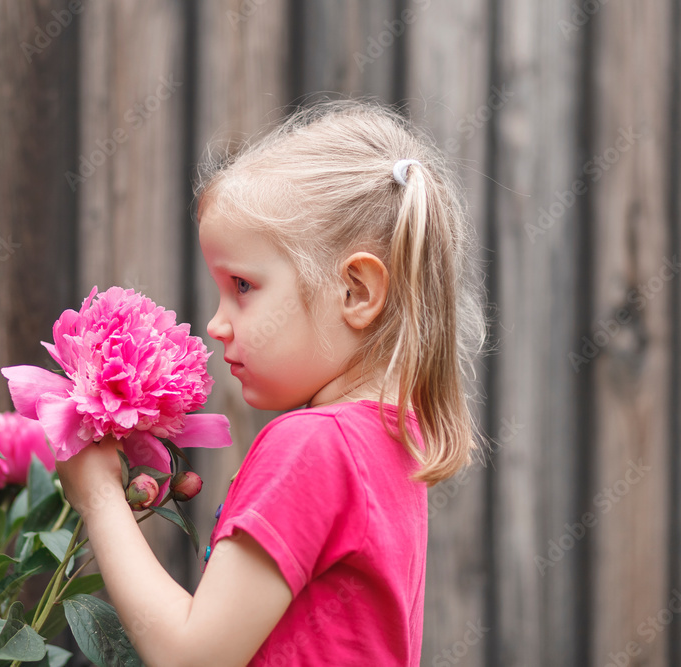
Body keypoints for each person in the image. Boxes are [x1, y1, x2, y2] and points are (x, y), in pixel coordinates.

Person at [55, 100, 486, 666]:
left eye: (243, 285)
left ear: (356, 291)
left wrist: (99, 496)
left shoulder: (314, 445)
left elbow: (192, 658)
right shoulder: (391, 442)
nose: (215, 323)